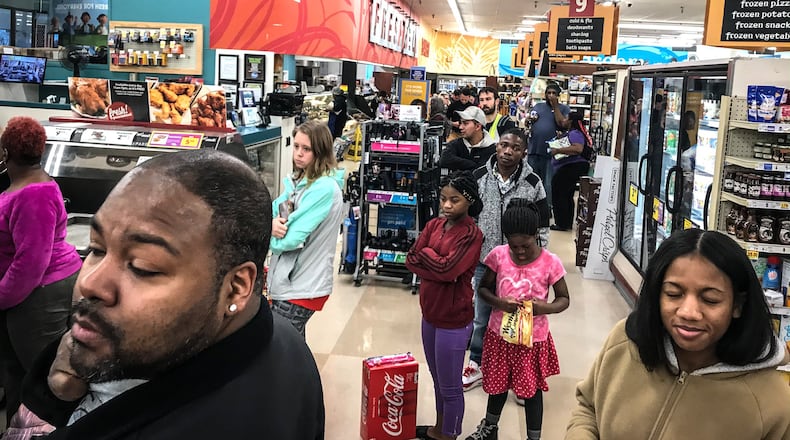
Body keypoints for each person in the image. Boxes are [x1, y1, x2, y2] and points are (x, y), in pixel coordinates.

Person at [20, 149, 325, 439]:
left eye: (143, 267)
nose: (90, 283)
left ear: (236, 287)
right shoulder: (279, 336)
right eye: (97, 249)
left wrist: (47, 406)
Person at [565, 229, 790, 439]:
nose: (688, 312)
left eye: (710, 299)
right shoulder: (624, 342)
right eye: (674, 294)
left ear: (737, 305)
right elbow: (588, 408)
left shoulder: (773, 401)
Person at [465, 199, 569, 440]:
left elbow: (563, 298)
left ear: (536, 235)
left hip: (532, 342)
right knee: (497, 387)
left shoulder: (550, 262)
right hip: (499, 336)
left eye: (526, 245)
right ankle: (489, 428)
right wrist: (500, 303)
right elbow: (483, 289)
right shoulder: (498, 256)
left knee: (531, 392)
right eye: (514, 246)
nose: (520, 251)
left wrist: (542, 308)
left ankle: (534, 437)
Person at [0, 117, 82, 423]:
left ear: (6, 151)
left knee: (44, 380)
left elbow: (31, 263)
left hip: (40, 296)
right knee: (18, 375)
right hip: (29, 294)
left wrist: (2, 296)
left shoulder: (33, 193)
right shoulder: (27, 185)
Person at [463, 129, 551, 392]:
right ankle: (476, 363)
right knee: (482, 316)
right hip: (485, 261)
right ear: (496, 147)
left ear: (524, 151)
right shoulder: (479, 177)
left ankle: (518, 372)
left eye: (515, 147)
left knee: (520, 319)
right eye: (504, 145)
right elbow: (468, 218)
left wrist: (537, 260)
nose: (508, 151)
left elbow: (543, 224)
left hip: (520, 264)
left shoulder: (533, 183)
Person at [406, 171, 484, 440]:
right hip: (429, 314)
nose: (447, 205)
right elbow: (410, 259)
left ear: (469, 201)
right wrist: (434, 261)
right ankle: (438, 429)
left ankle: (449, 434)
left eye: (455, 200)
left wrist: (427, 256)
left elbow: (449, 270)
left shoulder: (472, 234)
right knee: (438, 380)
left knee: (451, 387)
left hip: (454, 319)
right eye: (443, 199)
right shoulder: (433, 226)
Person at [268, 120, 345, 338]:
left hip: (301, 285)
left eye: (307, 149)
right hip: (292, 282)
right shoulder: (300, 180)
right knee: (292, 350)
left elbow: (290, 239)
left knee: (283, 351)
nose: (298, 154)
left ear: (320, 152)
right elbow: (275, 209)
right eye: (296, 146)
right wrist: (271, 224)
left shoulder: (322, 188)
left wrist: (268, 234)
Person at [527, 83, 569, 208]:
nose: (550, 95)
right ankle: (530, 205)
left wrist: (555, 106)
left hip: (552, 152)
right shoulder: (538, 106)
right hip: (534, 149)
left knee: (548, 182)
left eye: (553, 93)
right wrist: (529, 121)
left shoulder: (564, 109)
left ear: (558, 95)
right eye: (548, 93)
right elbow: (529, 120)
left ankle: (547, 206)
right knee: (531, 180)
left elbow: (562, 124)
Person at [549, 111, 593, 231]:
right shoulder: (577, 132)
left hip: (571, 167)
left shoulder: (575, 133)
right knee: (567, 195)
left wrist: (558, 150)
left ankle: (562, 223)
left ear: (571, 121)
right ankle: (566, 222)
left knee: (560, 193)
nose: (564, 120)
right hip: (574, 167)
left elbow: (578, 148)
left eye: (566, 118)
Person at [439, 107, 496, 172]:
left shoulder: (492, 149)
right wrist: (472, 164)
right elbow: (444, 160)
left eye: (465, 123)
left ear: (477, 126)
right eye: (461, 123)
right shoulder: (456, 144)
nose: (460, 127)